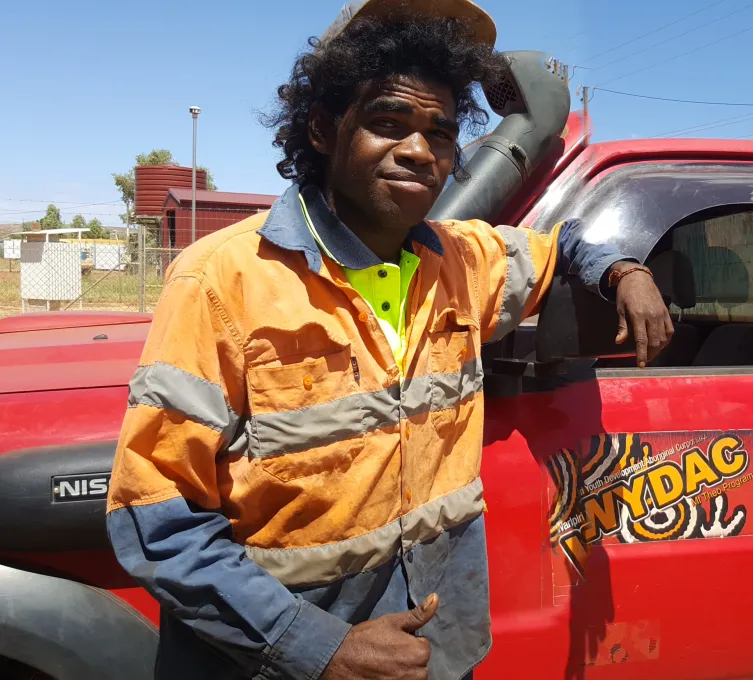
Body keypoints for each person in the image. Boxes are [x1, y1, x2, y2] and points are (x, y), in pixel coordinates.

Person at [104, 1, 673, 679]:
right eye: (387, 123)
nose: (418, 150)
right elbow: (155, 518)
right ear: (321, 128)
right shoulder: (219, 282)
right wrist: (318, 646)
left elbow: (559, 247)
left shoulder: (466, 260)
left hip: (439, 651)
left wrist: (624, 271)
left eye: (440, 133)